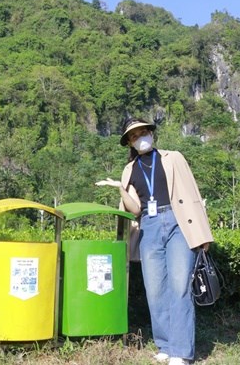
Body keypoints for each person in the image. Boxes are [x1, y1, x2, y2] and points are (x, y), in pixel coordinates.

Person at [95, 118, 213, 365]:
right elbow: (135, 209)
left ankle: (181, 352)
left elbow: (193, 193)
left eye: (144, 132)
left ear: (151, 133)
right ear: (129, 142)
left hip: (178, 222)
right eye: (134, 135)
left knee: (180, 286)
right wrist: (121, 189)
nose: (141, 137)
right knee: (155, 289)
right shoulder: (130, 169)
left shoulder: (174, 158)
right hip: (148, 225)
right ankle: (166, 345)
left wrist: (203, 234)